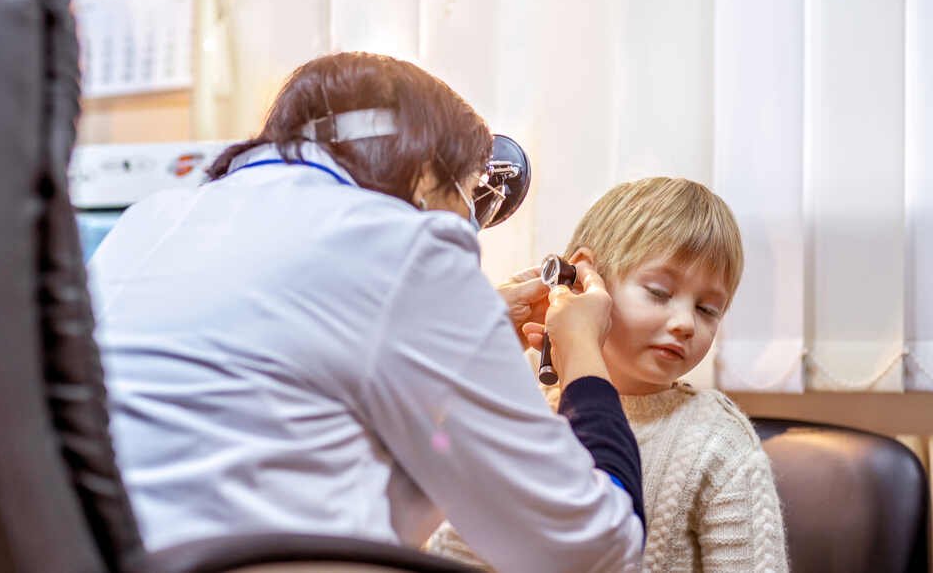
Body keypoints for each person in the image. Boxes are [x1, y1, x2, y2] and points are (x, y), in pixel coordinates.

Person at [89, 52, 644, 572]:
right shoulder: (402, 243)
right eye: (470, 196)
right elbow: (589, 549)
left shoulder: (149, 221)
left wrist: (478, 335)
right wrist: (583, 357)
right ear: (428, 175)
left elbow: (298, 413)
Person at [427, 177, 789, 572]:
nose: (685, 322)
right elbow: (455, 553)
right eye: (659, 292)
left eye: (707, 309)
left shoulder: (719, 442)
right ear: (585, 278)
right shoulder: (533, 418)